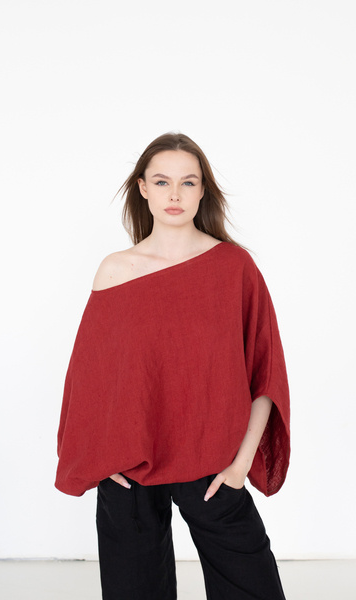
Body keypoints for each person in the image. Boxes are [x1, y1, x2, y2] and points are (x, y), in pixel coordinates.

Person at [55, 132, 290, 600]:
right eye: (162, 182)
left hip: (213, 461)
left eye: (188, 182)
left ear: (203, 190)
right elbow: (89, 380)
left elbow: (265, 373)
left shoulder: (235, 268)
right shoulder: (115, 270)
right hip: (129, 466)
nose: (175, 194)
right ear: (143, 188)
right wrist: (100, 459)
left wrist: (241, 464)